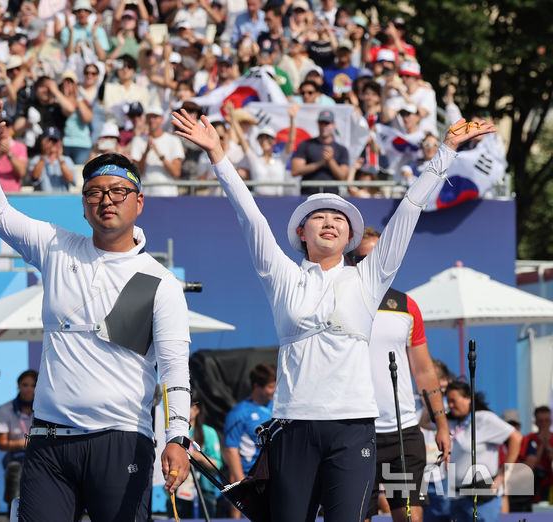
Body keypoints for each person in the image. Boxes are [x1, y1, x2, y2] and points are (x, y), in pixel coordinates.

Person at [172, 107, 495, 521]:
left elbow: (409, 209)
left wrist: (446, 150)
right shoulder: (281, 274)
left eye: (339, 218)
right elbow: (249, 215)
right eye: (318, 217)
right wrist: (218, 154)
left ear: (350, 235)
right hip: (293, 425)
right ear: (300, 234)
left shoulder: (369, 278)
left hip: (353, 428)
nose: (329, 222)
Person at [0, 95, 191, 520]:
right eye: (94, 193)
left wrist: (178, 436)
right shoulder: (55, 246)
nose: (106, 200)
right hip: (49, 444)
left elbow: (175, 367)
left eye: (118, 191)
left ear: (139, 201)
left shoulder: (159, 281)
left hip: (122, 439)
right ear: (84, 205)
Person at [350, 228, 451, 522]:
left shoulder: (406, 307)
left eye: (382, 259)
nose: (375, 266)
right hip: (353, 433)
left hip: (403, 433)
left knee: (410, 518)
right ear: (351, 260)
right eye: (365, 259)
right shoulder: (335, 302)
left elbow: (424, 370)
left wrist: (441, 423)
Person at [446, 380, 522, 522]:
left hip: (482, 500)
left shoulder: (483, 418)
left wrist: (503, 475)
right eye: (447, 401)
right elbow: (425, 421)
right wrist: (436, 392)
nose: (450, 405)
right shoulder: (451, 422)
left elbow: (516, 438)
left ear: (468, 398)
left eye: (453, 401)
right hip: (457, 499)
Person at [223, 362, 276, 517]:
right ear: (256, 386)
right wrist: (242, 487)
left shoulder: (278, 407)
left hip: (273, 477)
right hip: (251, 478)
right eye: (270, 387)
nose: (274, 391)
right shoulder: (239, 413)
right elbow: (230, 449)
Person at [168, 389, 222, 518]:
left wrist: (198, 457)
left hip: (203, 491)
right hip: (179, 489)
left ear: (197, 409)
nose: (184, 409)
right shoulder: (171, 432)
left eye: (188, 405)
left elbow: (217, 464)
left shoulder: (208, 433)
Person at [0, 369, 38, 510]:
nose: (29, 389)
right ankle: (12, 510)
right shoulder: (5, 409)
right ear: (18, 386)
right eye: (25, 385)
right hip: (15, 456)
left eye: (33, 385)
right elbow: (2, 444)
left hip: (39, 456)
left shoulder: (44, 409)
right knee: (14, 469)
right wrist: (24, 443)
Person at [290, 109, 350, 195]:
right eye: (321, 123)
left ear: (333, 125)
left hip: (332, 195)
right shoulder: (306, 145)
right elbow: (295, 171)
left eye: (327, 123)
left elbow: (344, 177)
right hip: (308, 194)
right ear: (317, 124)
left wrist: (330, 161)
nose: (324, 126)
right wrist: (320, 163)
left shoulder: (341, 149)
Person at [521, 405, 553, 505]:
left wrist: (547, 446)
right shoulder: (529, 439)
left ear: (550, 421)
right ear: (536, 423)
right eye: (540, 421)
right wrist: (542, 445)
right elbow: (531, 464)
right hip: (534, 487)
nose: (544, 424)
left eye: (546, 420)